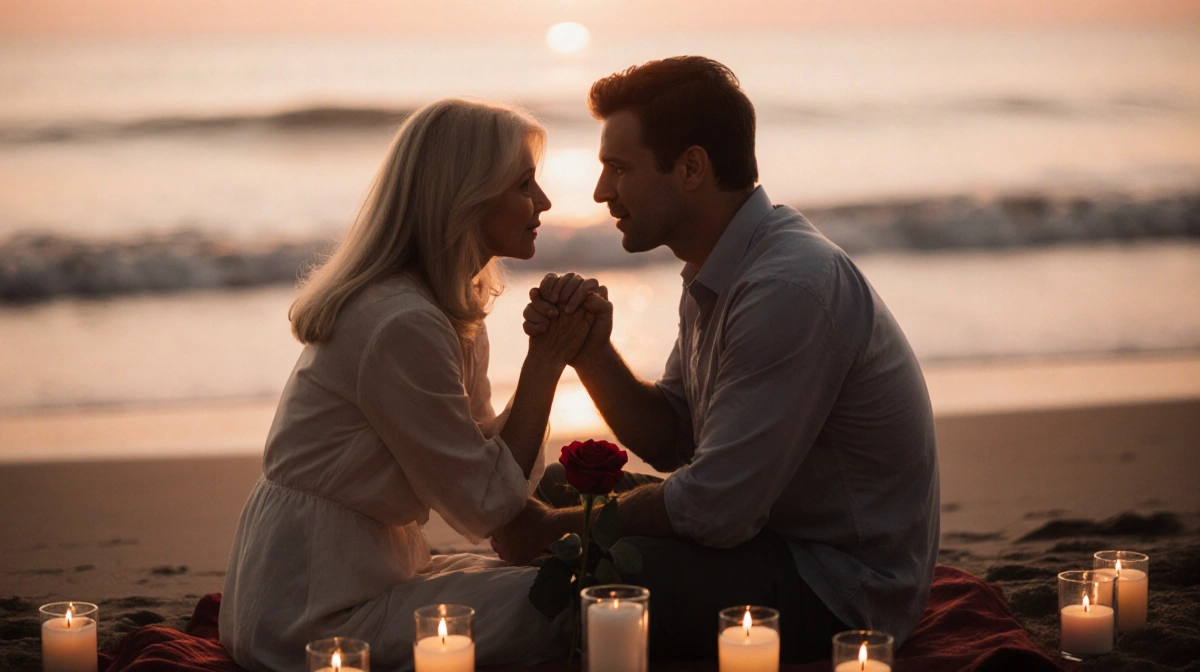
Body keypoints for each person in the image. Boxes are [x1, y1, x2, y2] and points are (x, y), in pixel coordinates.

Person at [493, 56, 941, 663]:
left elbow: (715, 510)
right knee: (563, 488)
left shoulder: (787, 287)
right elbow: (675, 436)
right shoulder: (720, 267)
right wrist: (591, 354)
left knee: (601, 571)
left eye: (618, 168)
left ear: (692, 168)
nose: (601, 192)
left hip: (842, 586)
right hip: (767, 536)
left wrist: (547, 531)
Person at [219, 99, 595, 671]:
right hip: (315, 614)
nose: (543, 201)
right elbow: (485, 506)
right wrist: (545, 364)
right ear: (466, 197)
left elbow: (483, 461)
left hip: (364, 573)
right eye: (524, 184)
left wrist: (545, 361)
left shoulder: (446, 310)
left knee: (560, 579)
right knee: (569, 600)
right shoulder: (402, 323)